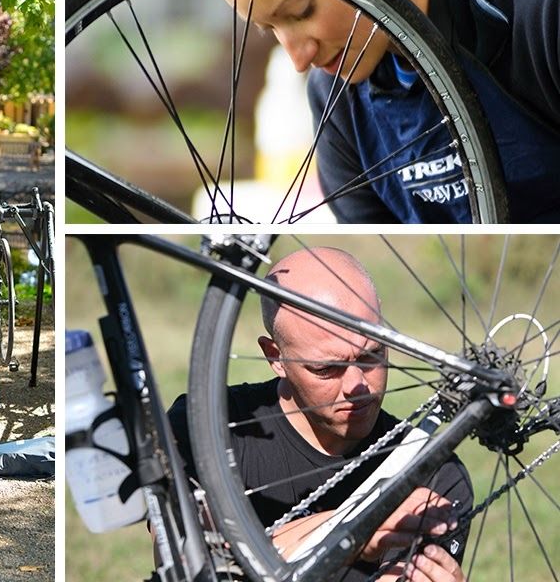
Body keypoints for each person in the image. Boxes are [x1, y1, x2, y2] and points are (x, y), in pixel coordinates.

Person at [188, 0, 560, 223]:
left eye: (302, 11)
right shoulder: (335, 102)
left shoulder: (545, 7)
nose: (298, 60)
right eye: (269, 28)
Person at [166, 247, 472, 581]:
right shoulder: (207, 425)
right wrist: (353, 527)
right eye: (327, 368)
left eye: (372, 355)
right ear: (275, 357)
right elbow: (185, 560)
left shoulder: (435, 472)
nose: (357, 386)